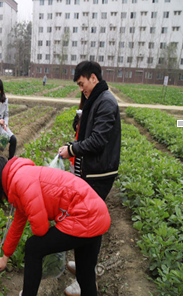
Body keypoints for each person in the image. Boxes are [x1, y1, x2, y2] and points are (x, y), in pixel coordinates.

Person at [0, 156, 111, 296]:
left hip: (83, 216)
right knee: (85, 274)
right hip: (96, 214)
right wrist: (5, 257)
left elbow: (41, 229)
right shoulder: (21, 175)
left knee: (33, 247)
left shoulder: (21, 181)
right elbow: (17, 224)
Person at [58, 61, 121, 296]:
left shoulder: (105, 101)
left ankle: (86, 278)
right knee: (87, 221)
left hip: (98, 175)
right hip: (90, 172)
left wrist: (72, 150)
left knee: (89, 225)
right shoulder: (97, 99)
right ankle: (84, 267)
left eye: (82, 84)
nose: (82, 89)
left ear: (93, 78)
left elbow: (97, 141)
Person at [0, 78, 17, 159]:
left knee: (13, 140)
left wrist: (5, 124)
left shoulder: (5, 100)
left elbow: (6, 114)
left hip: (2, 127)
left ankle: (10, 161)